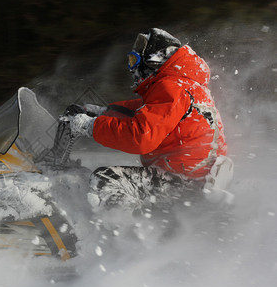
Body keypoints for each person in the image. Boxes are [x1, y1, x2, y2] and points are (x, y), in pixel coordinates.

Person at [64, 28, 233, 220]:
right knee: (127, 182)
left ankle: (124, 242)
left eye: (134, 61)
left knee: (108, 180)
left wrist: (89, 126)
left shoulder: (172, 88)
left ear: (154, 61)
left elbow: (140, 137)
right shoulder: (184, 86)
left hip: (184, 182)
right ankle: (141, 227)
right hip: (191, 178)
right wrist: (100, 112)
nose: (132, 70)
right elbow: (141, 113)